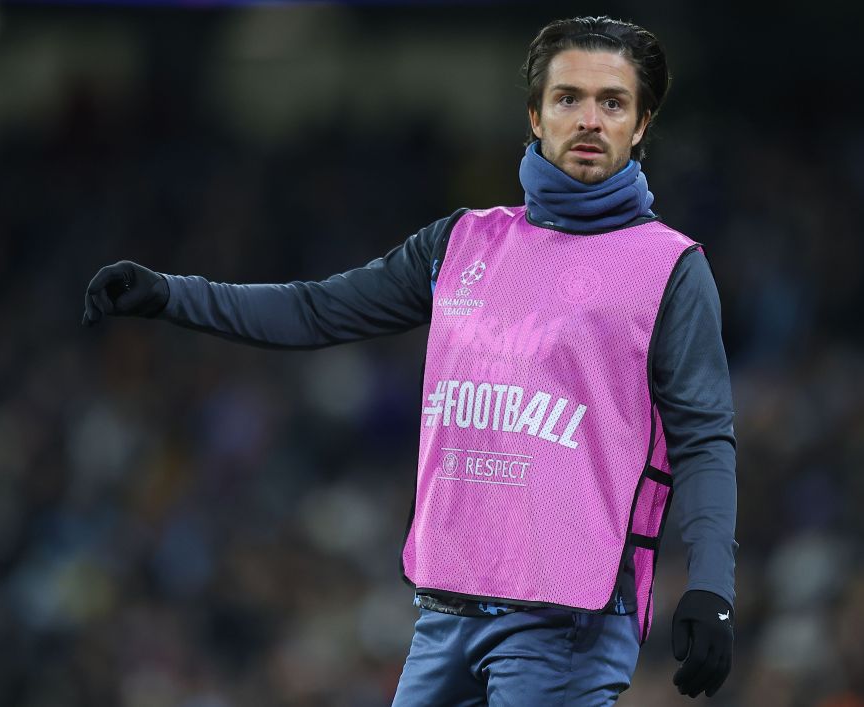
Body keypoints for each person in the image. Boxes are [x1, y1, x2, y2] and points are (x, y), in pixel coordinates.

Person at [83, 15, 737, 705]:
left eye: (613, 102)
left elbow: (704, 441)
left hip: (570, 618)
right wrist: (168, 295)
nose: (589, 119)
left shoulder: (669, 268)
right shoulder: (460, 242)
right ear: (534, 113)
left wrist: (710, 588)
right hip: (446, 615)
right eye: (568, 97)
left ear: (640, 125)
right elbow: (315, 310)